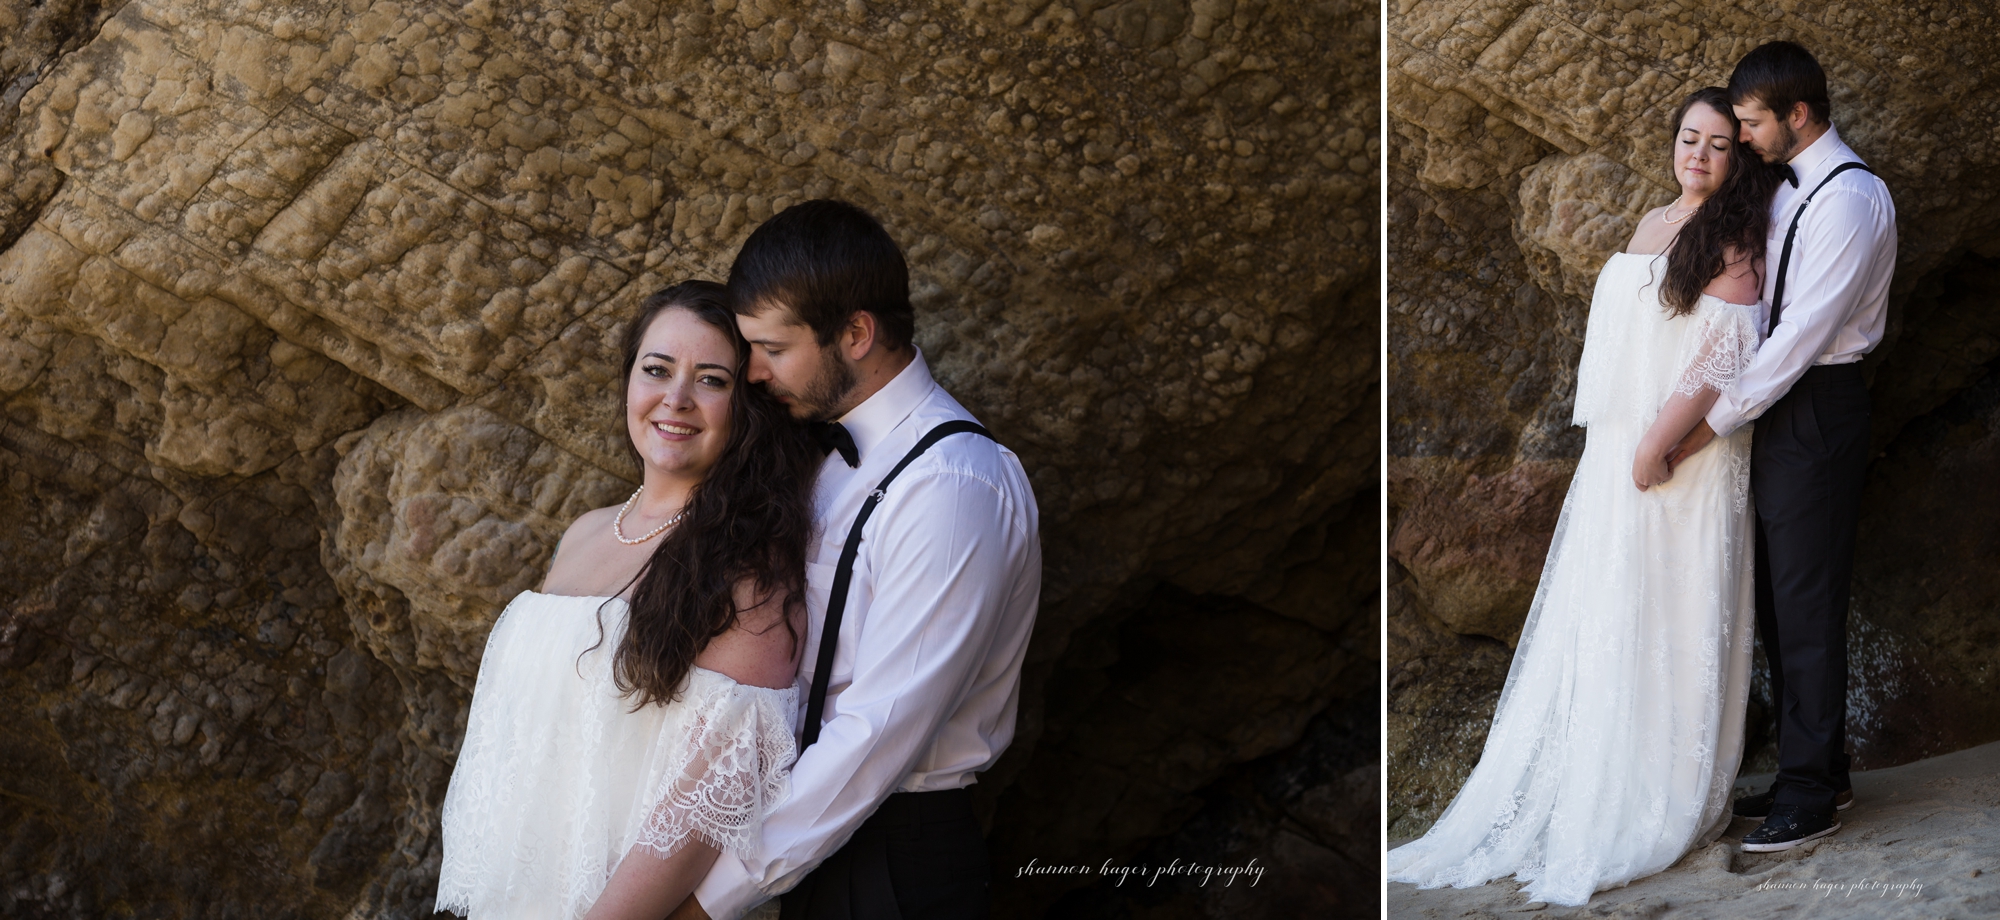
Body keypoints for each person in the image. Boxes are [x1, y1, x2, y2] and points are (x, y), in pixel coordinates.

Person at [1385, 88, 1783, 906]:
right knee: (1607, 608)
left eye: (1716, 144)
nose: (1698, 156)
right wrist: (1624, 444)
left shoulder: (1737, 238)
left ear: (1739, 157)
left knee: (1669, 606)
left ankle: (1657, 789)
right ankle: (1589, 771)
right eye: (1688, 139)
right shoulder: (1649, 224)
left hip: (1679, 458)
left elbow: (1721, 356)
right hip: (1619, 455)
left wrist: (1657, 442)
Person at [669, 199, 1043, 920]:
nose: (752, 373)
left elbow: (878, 735)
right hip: (806, 845)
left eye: (773, 350)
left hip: (892, 863)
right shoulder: (816, 452)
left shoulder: (952, 485)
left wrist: (708, 903)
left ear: (857, 334)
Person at [434, 282, 821, 920]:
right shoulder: (584, 532)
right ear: (628, 382)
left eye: (713, 380)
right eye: (657, 370)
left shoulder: (749, 569)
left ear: (748, 406)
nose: (677, 399)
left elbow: (707, 804)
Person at [1668, 41, 1896, 853]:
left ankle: (1812, 794)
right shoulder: (1786, 187)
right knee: (1777, 597)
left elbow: (1799, 337)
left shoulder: (1852, 199)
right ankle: (1818, 768)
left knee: (1807, 605)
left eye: (1754, 123)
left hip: (1818, 406)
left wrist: (1706, 425)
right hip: (1777, 408)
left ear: (1797, 115)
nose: (1746, 138)